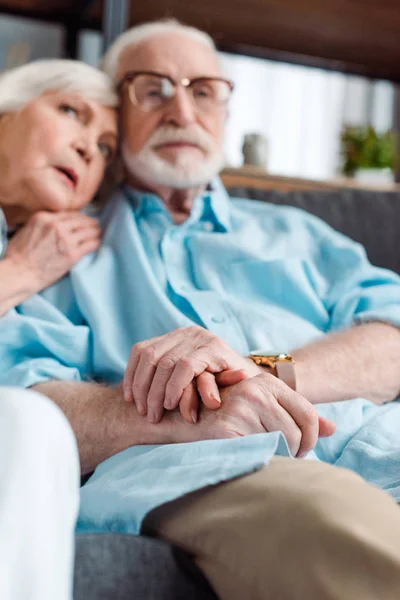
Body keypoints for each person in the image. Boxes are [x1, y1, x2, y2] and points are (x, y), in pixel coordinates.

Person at [0, 23, 400, 600]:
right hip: (217, 467)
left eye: (204, 90)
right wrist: (191, 412)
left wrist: (254, 372)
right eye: (154, 90)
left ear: (226, 113)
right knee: (351, 537)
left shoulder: (300, 234)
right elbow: (25, 398)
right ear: (120, 112)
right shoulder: (62, 248)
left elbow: (392, 334)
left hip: (382, 441)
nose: (182, 110)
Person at [0, 59, 118, 600]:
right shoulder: (32, 262)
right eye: (71, 111)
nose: (89, 148)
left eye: (107, 147)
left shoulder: (88, 266)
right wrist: (20, 272)